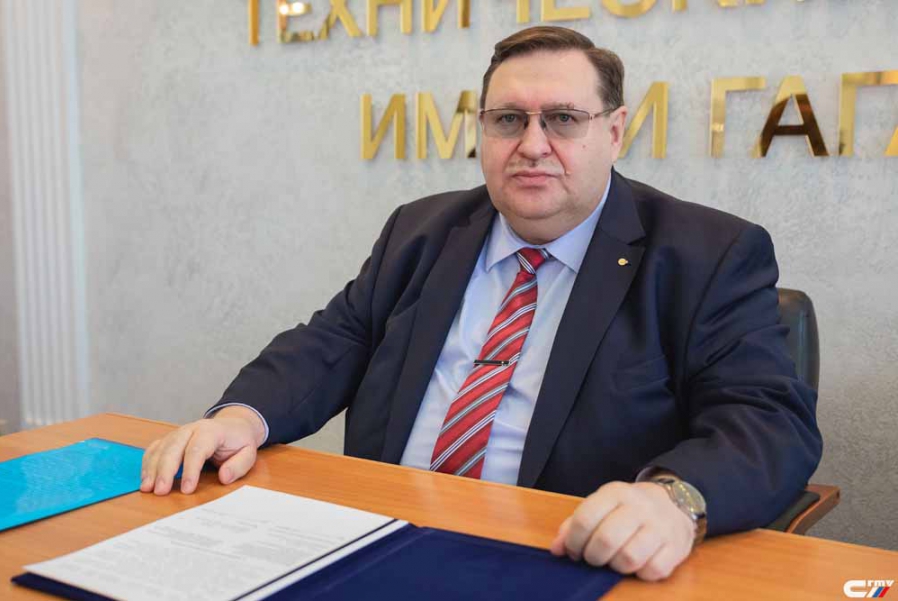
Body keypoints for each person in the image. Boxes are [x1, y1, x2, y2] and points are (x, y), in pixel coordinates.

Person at [140, 26, 821, 581]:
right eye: (508, 120)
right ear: (482, 130)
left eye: (562, 119)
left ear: (614, 132)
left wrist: (676, 499)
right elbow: (335, 340)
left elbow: (768, 421)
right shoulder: (423, 230)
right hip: (381, 544)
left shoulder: (706, 254)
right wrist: (244, 414)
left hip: (559, 559)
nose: (531, 145)